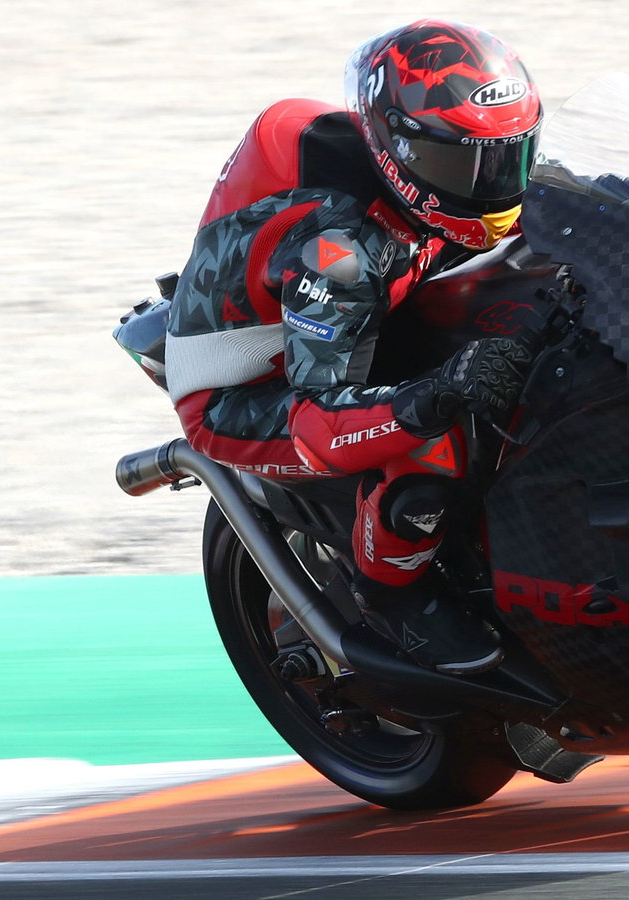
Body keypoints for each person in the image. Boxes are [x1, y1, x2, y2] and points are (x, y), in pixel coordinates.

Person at [162, 19, 544, 675]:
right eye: (466, 164)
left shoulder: (421, 181)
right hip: (256, 389)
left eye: (511, 156)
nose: (496, 183)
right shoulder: (340, 254)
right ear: (400, 153)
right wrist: (437, 393)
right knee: (432, 438)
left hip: (360, 312)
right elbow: (320, 419)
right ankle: (392, 594)